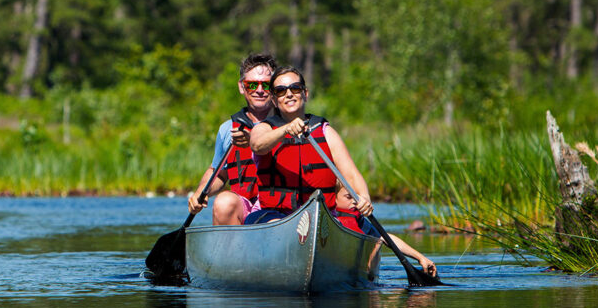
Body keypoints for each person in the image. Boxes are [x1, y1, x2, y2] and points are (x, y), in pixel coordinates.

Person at [248, 66, 437, 277]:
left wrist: (364, 197)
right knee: (280, 226)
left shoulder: (325, 132)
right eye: (281, 90)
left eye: (295, 88)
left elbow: (353, 175)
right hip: (274, 216)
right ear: (274, 100)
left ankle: (351, 275)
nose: (289, 94)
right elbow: (257, 145)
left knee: (357, 234)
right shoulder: (264, 128)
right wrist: (286, 129)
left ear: (305, 93)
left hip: (322, 221)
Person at [187, 53, 278, 226]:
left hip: (280, 209)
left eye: (266, 85)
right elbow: (219, 173)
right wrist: (201, 192)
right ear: (241, 87)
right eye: (251, 84)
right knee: (223, 202)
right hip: (244, 207)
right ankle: (231, 251)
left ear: (274, 88)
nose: (259, 90)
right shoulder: (228, 129)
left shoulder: (288, 126)